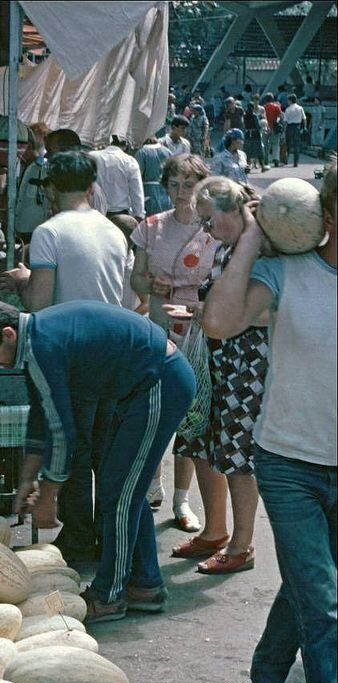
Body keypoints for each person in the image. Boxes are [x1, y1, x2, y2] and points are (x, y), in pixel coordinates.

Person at [197, 159, 337, 683]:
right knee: (327, 603)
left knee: (313, 587)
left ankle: (266, 677)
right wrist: (252, 234)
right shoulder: (286, 274)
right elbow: (219, 323)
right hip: (290, 464)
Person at [0, 297, 196, 624]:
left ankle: (109, 596)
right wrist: (28, 477)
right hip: (140, 387)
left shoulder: (42, 345)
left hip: (159, 381)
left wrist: (49, 496)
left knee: (119, 494)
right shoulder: (34, 340)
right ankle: (145, 585)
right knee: (124, 489)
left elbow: (63, 431)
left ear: (8, 334)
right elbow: (42, 415)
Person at [0, 151, 128, 563]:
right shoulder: (113, 232)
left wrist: (23, 280)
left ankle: (75, 538)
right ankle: (106, 539)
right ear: (92, 188)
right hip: (113, 352)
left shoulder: (48, 233)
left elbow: (39, 307)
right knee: (104, 454)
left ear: (51, 189)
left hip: (68, 356)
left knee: (66, 447)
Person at [166, 176, 269, 577]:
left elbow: (261, 312)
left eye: (210, 220)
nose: (206, 230)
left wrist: (219, 320)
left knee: (239, 456)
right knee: (211, 446)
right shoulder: (231, 249)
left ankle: (242, 545)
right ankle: (217, 531)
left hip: (247, 368)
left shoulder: (259, 253)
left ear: (235, 211)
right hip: (222, 363)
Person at [131, 154, 220, 531]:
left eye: (189, 185)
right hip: (159, 326)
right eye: (174, 184)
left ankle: (183, 502)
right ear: (163, 186)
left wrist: (202, 306)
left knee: (192, 417)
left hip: (201, 333)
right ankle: (153, 485)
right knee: (152, 410)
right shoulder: (150, 227)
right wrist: (149, 285)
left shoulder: (216, 230)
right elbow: (135, 278)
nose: (181, 193)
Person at [89, 136, 145, 220]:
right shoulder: (130, 161)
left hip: (94, 212)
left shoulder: (92, 156)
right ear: (126, 145)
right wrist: (139, 214)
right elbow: (136, 191)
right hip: (121, 215)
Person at [134, 138, 172, 216]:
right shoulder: (167, 152)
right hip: (166, 191)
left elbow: (138, 176)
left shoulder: (141, 153)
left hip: (149, 192)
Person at [262, 92, 284, 167]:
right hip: (274, 128)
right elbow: (281, 116)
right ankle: (276, 159)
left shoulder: (264, 107)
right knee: (275, 144)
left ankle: (266, 159)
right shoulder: (276, 106)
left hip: (265, 128)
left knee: (265, 144)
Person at [283, 94, 306, 167]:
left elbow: (285, 121)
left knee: (288, 144)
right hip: (297, 127)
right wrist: (304, 127)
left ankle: (286, 160)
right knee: (296, 145)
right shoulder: (300, 108)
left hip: (290, 127)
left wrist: (284, 130)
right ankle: (295, 162)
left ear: (290, 101)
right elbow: (304, 119)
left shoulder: (288, 109)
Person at [243, 102, 265, 171]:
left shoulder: (245, 115)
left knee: (247, 152)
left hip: (247, 134)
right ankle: (262, 166)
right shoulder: (254, 116)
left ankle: (248, 167)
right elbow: (257, 125)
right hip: (255, 134)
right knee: (259, 151)